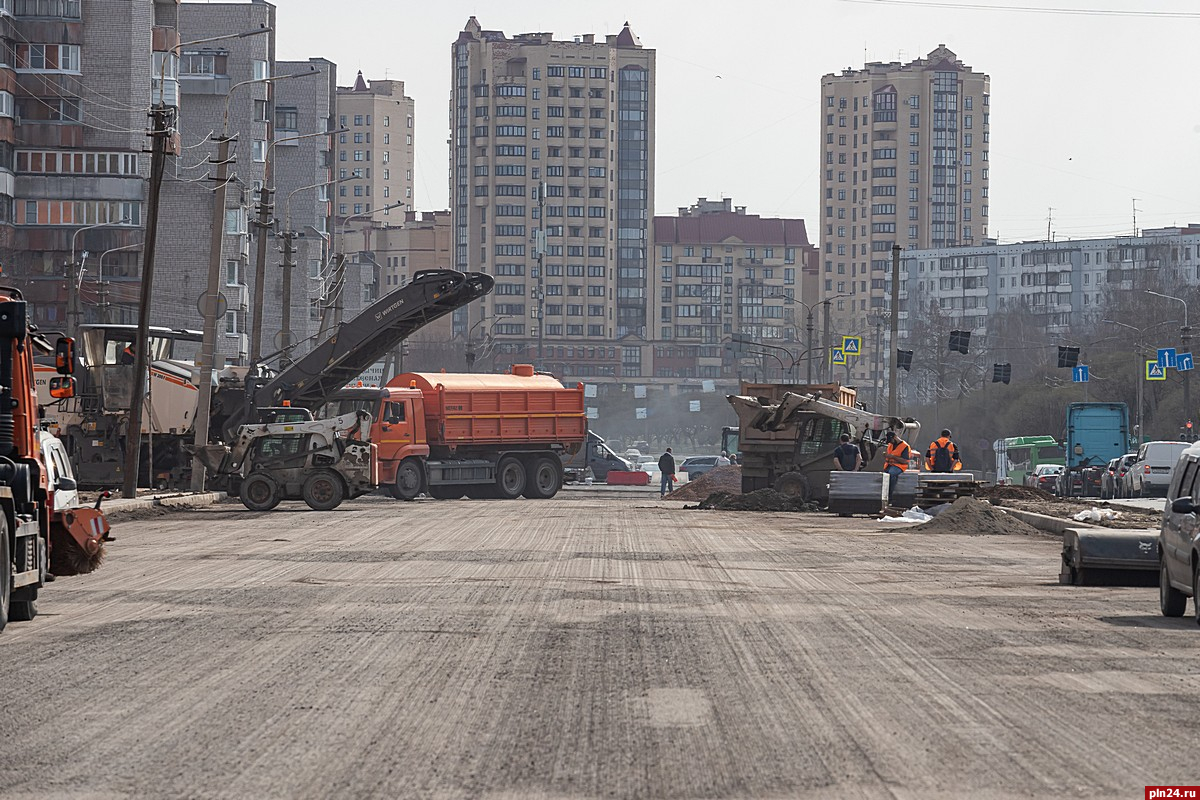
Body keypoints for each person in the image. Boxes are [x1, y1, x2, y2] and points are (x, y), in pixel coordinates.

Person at [883, 430, 911, 500]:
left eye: (891, 440)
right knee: (884, 476)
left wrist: (892, 457)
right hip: (889, 465)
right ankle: (884, 494)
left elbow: (905, 461)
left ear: (895, 437)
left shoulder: (905, 446)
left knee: (891, 474)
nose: (890, 442)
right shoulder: (890, 445)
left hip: (899, 466)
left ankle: (890, 495)